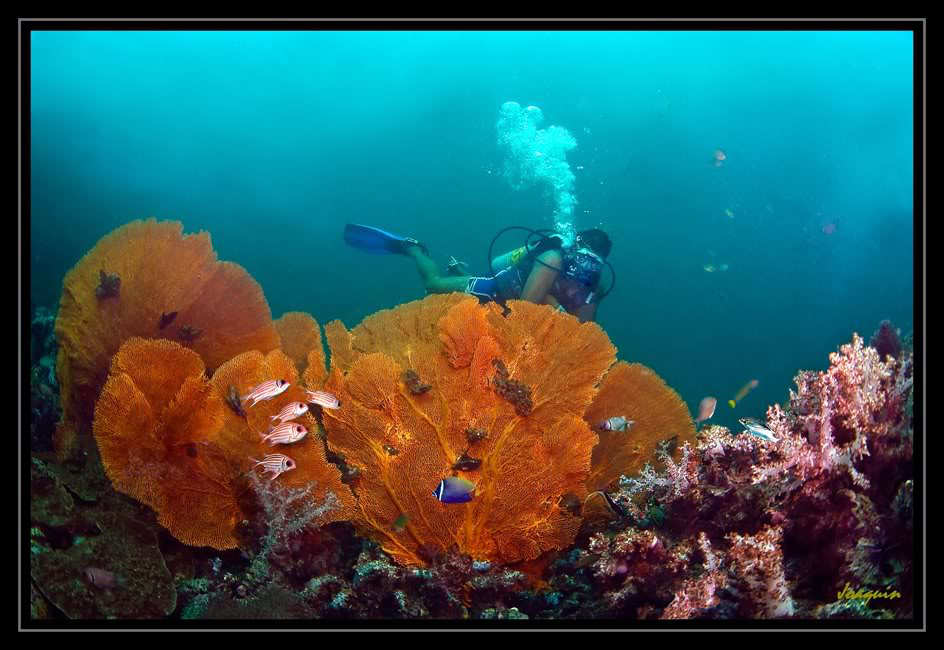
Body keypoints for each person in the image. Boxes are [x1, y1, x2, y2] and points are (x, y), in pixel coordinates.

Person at [343, 224, 612, 323]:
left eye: (591, 266)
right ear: (573, 247)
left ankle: (460, 270)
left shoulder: (592, 288)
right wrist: (557, 309)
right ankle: (413, 249)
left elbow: (584, 337)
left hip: (508, 303)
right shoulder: (553, 256)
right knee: (433, 284)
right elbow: (525, 309)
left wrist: (589, 301)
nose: (583, 270)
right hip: (497, 287)